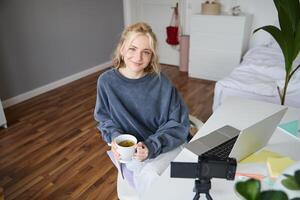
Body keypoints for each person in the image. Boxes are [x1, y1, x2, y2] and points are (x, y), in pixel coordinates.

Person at [94, 22, 189, 164]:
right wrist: (115, 137)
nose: (138, 58)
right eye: (132, 49)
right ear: (122, 49)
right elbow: (104, 119)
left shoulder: (162, 82)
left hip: (162, 148)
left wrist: (152, 146)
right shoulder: (106, 82)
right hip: (128, 154)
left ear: (152, 56)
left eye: (146, 52)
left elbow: (179, 123)